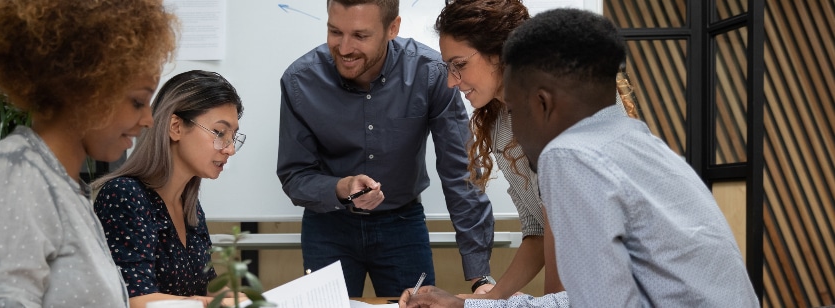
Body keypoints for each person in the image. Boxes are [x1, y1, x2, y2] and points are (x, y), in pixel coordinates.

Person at [403, 8, 759, 307]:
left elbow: (589, 303)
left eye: (515, 106)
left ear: (541, 103)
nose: (511, 127)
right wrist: (488, 301)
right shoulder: (635, 140)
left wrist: (471, 305)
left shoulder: (569, 154)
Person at [0, 0, 176, 307]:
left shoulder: (66, 190)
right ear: (86, 89)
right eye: (138, 102)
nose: (148, 120)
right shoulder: (11, 177)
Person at [276, 0, 495, 297]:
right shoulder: (300, 81)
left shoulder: (431, 73)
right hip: (328, 226)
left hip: (403, 225)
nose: (344, 47)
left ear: (392, 28)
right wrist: (342, 187)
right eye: (335, 31)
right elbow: (295, 176)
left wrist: (480, 275)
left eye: (360, 36)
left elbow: (461, 172)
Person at [434, 0, 564, 300]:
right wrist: (487, 300)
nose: (452, 81)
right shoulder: (499, 120)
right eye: (448, 68)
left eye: (460, 65)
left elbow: (564, 236)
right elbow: (538, 230)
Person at [92, 71, 245, 308]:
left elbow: (205, 284)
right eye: (219, 133)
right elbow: (135, 300)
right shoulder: (124, 195)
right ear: (175, 127)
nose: (230, 149)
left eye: (233, 137)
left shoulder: (189, 204)